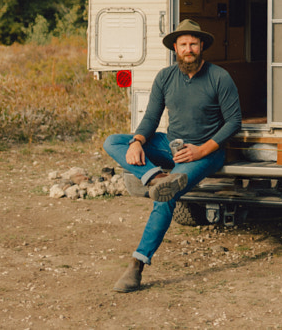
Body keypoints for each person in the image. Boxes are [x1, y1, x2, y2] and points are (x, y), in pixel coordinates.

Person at [103, 19, 242, 293]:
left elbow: (234, 122)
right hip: (172, 144)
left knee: (166, 196)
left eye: (193, 43)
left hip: (205, 153)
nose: (188, 49)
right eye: (183, 44)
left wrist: (203, 149)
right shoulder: (165, 77)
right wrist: (138, 141)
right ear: (175, 48)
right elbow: (152, 117)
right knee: (113, 141)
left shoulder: (219, 77)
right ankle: (153, 177)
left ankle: (137, 265)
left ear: (202, 46)